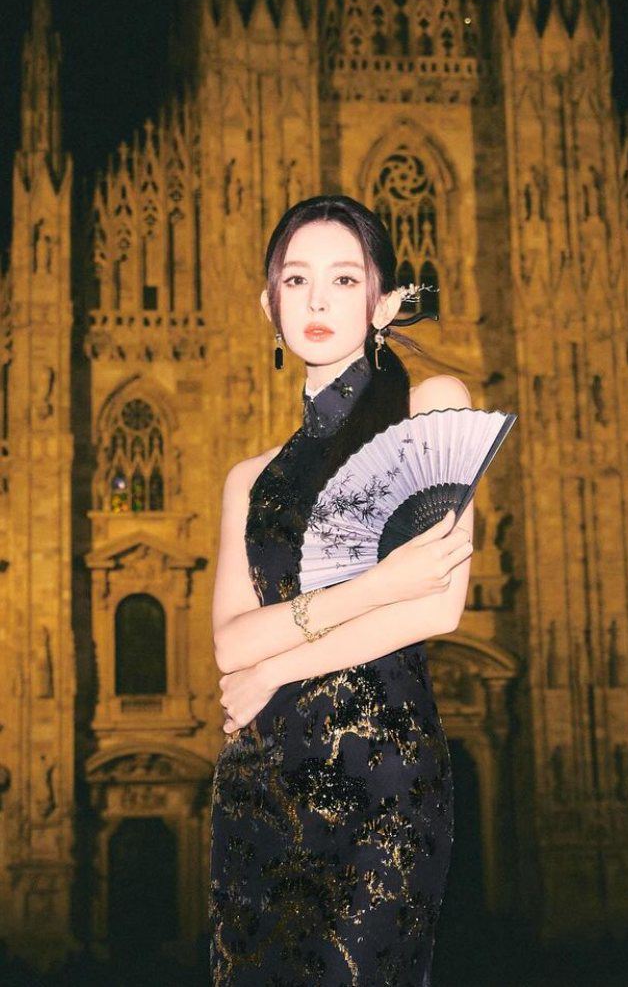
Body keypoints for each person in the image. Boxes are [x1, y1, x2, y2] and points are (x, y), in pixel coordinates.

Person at [209, 194, 475, 984]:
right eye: (296, 280)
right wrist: (378, 585)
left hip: (381, 779)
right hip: (260, 784)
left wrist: (275, 662)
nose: (318, 300)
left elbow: (438, 606)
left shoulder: (432, 407)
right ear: (269, 305)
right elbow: (229, 643)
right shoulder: (248, 479)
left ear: (384, 303)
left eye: (345, 278)